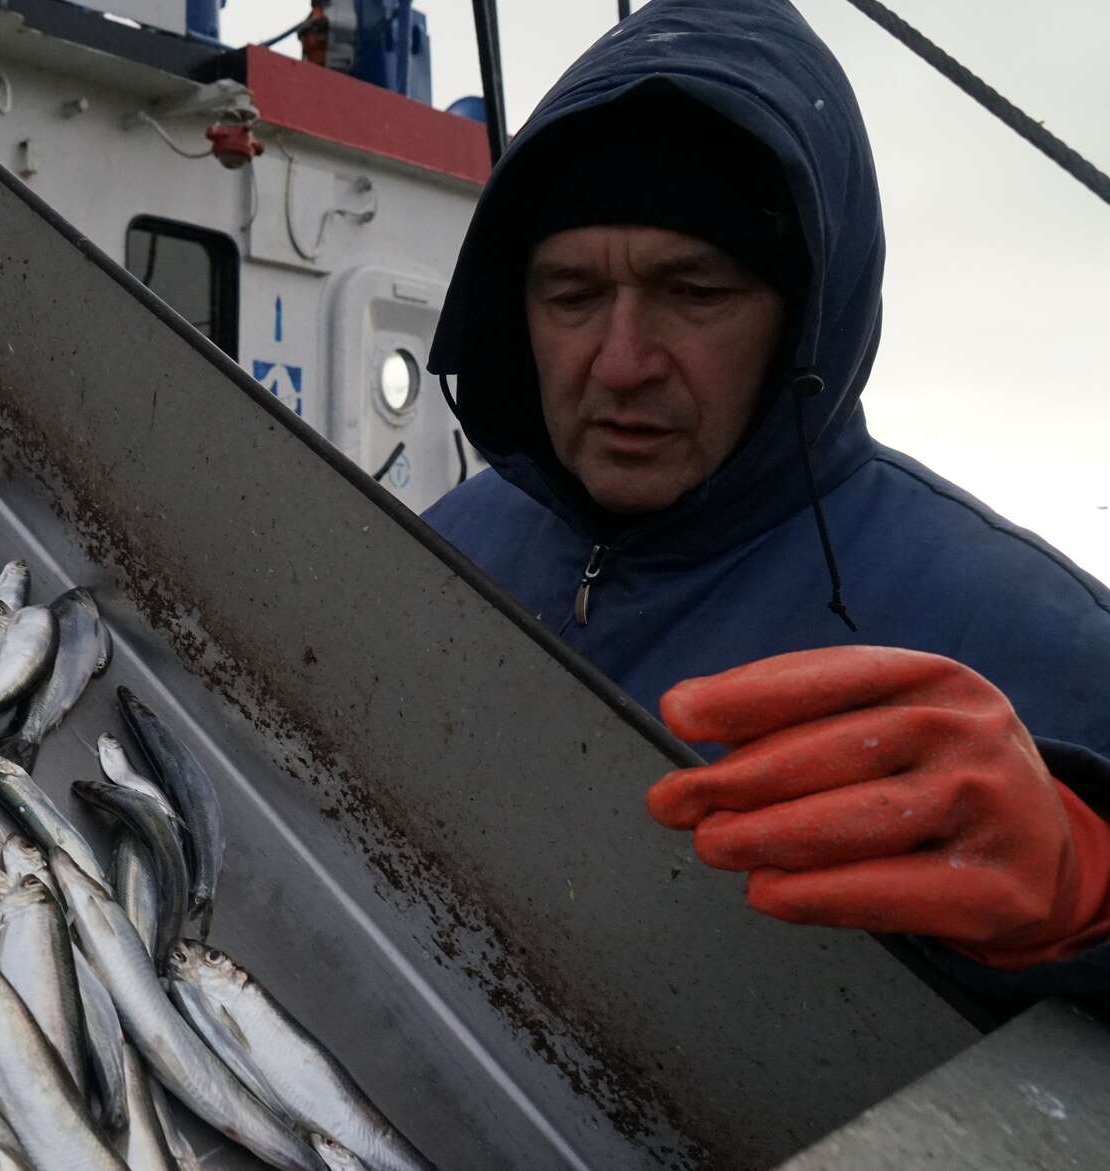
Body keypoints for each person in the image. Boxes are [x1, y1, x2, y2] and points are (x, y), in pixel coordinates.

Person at [421, 0, 1110, 997]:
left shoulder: (1031, 635)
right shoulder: (445, 541)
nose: (618, 364)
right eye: (568, 295)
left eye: (693, 292)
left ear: (803, 321)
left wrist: (1085, 891)